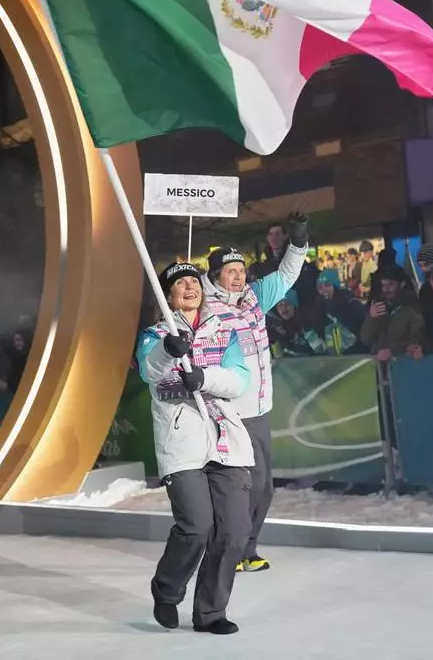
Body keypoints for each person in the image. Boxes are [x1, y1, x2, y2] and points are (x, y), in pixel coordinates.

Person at [138, 262, 253, 636]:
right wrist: (170, 352)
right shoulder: (155, 334)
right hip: (182, 442)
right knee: (196, 527)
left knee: (234, 531)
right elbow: (150, 371)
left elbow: (239, 379)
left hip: (225, 440)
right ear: (167, 295)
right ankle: (167, 590)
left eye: (194, 281)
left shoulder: (223, 329)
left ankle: (210, 612)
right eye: (180, 283)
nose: (189, 287)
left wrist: (205, 378)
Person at [203, 213, 309, 574]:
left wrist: (297, 244)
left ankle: (247, 548)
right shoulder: (205, 307)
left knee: (262, 487)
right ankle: (227, 548)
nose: (237, 276)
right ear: (216, 274)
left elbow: (285, 276)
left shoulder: (253, 298)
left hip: (259, 408)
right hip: (227, 410)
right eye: (230, 270)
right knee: (237, 486)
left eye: (240, 269)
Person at [360, 265, 425, 362]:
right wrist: (371, 318)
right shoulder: (378, 305)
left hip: (404, 365)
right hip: (380, 366)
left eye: (391, 284)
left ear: (402, 284)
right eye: (384, 285)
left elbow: (417, 341)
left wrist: (393, 351)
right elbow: (365, 339)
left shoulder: (412, 309)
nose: (386, 289)